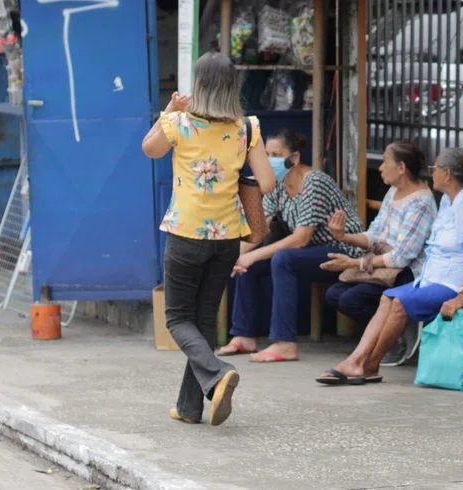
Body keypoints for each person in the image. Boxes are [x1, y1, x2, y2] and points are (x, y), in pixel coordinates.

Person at [141, 52, 274, 426]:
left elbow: (149, 148)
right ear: (233, 86)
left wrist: (169, 110)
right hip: (227, 237)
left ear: (198, 86)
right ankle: (189, 407)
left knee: (176, 319)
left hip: (186, 234)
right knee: (202, 321)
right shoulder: (247, 127)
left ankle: (217, 373)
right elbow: (266, 183)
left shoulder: (179, 123)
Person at [316, 148, 463, 385]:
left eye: (434, 169)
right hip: (439, 279)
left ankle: (367, 365)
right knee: (388, 297)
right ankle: (358, 362)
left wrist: (462, 296)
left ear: (446, 174)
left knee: (401, 303)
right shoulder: (449, 199)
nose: (430, 173)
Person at [223, 129, 365, 363]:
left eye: (276, 155)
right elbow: (259, 228)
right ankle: (243, 335)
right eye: (267, 155)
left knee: (283, 258)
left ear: (295, 158)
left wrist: (253, 255)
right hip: (311, 253)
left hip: (344, 251)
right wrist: (234, 257)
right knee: (249, 265)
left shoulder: (314, 182)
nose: (270, 160)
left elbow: (301, 239)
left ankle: (285, 343)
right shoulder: (277, 183)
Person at [321, 142, 436, 364]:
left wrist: (354, 263)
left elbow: (402, 257)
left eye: (385, 161)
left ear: (401, 168)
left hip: (408, 271)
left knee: (351, 299)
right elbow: (374, 234)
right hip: (383, 264)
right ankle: (388, 333)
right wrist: (342, 236)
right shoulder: (393, 192)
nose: (380, 167)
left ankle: (393, 340)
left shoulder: (420, 203)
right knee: (334, 294)